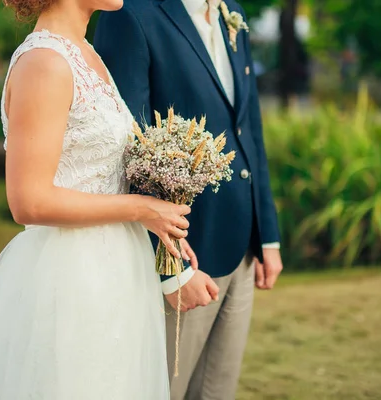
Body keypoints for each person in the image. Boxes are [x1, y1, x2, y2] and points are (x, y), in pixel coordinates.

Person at [0, 0, 190, 398]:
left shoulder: (86, 52)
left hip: (120, 267)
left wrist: (160, 219)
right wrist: (140, 209)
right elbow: (29, 201)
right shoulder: (44, 62)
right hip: (72, 274)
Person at [95, 1, 284, 398]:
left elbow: (249, 129)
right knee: (161, 389)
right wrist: (172, 269)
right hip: (182, 252)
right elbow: (123, 149)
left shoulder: (234, 13)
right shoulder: (130, 14)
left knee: (217, 391)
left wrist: (267, 234)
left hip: (243, 249)